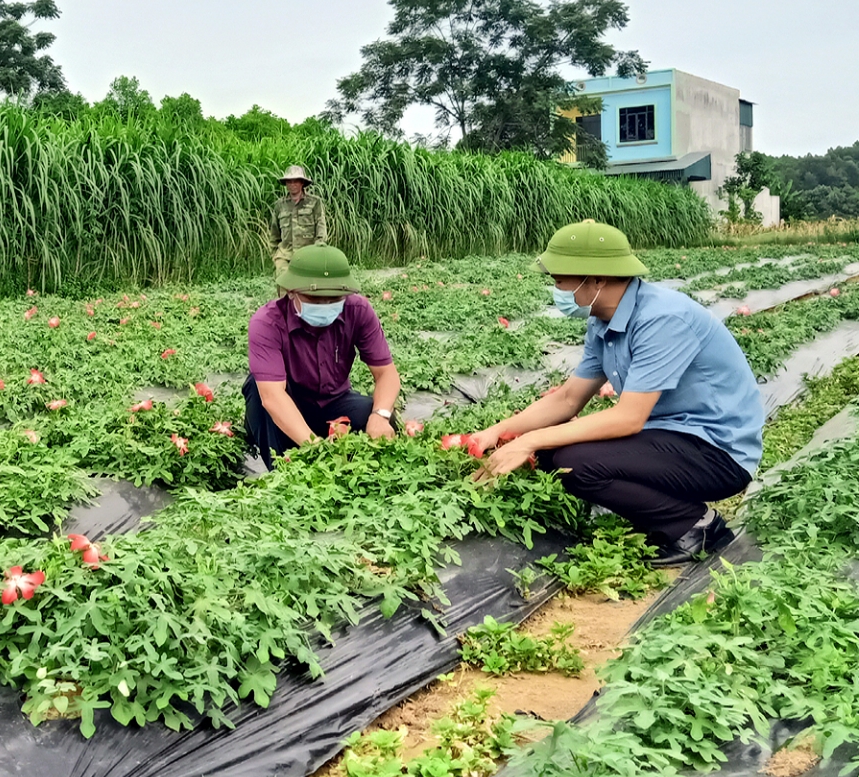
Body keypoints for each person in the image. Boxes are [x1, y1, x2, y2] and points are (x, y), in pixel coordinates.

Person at [468, 220, 762, 565]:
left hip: (717, 452)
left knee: (574, 464)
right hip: (671, 437)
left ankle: (695, 526)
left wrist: (528, 441)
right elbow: (568, 398)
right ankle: (662, 514)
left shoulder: (662, 319)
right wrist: (500, 432)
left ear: (595, 279)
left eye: (560, 280)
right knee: (553, 454)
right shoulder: (603, 320)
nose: (556, 289)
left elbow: (628, 418)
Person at [243, 244, 400, 466]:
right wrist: (314, 447)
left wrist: (380, 415)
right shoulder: (267, 322)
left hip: (335, 402)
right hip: (289, 404)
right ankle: (282, 474)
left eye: (334, 298)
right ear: (291, 291)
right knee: (258, 394)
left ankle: (366, 475)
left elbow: (386, 374)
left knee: (381, 416)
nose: (326, 304)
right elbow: (273, 397)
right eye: (315, 298)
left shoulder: (358, 311)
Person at [269, 165, 328, 278]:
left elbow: (321, 230)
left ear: (302, 183)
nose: (292, 184)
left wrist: (318, 250)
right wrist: (275, 255)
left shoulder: (315, 203)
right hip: (285, 255)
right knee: (284, 282)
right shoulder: (280, 205)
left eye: (296, 181)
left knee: (308, 288)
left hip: (308, 255)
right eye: (289, 181)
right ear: (286, 184)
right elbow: (274, 234)